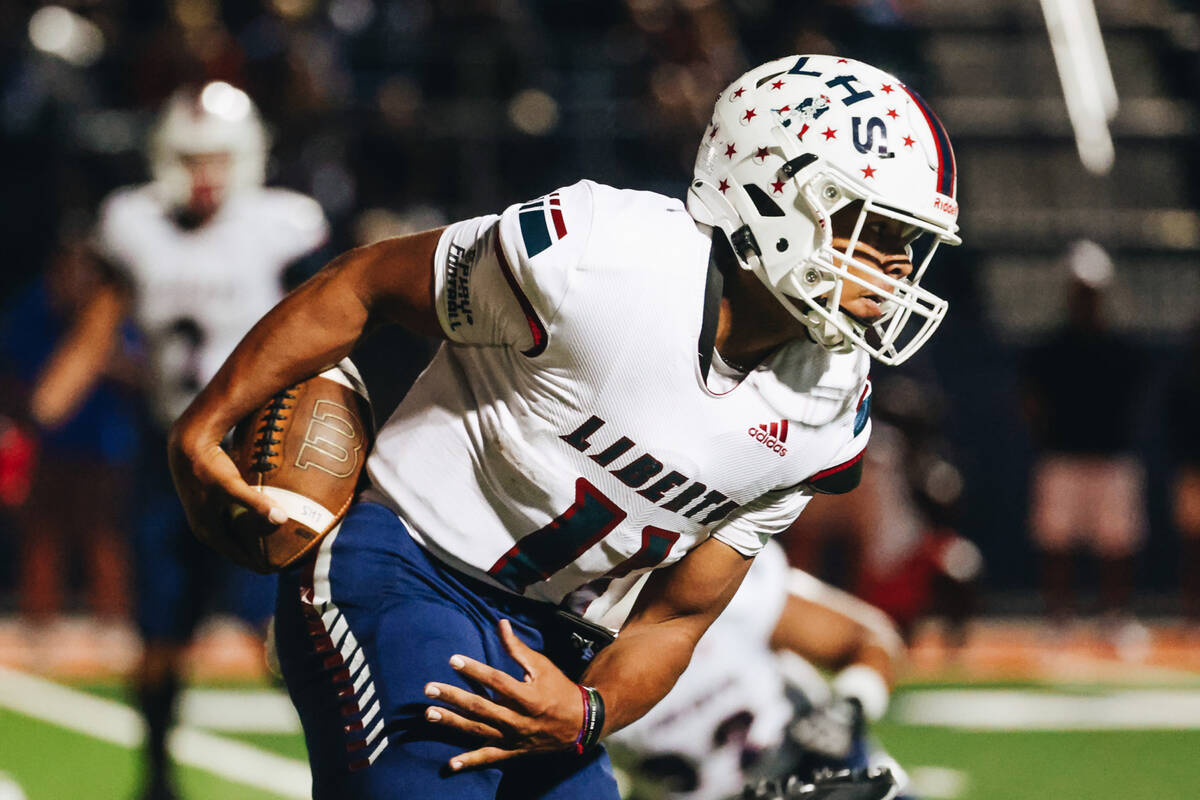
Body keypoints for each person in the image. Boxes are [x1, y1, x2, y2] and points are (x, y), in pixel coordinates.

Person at [168, 54, 960, 800]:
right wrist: (205, 423)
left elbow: (675, 616)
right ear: (772, 190)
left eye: (908, 242)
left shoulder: (829, 407)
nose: (895, 267)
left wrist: (588, 714)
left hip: (561, 642)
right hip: (409, 566)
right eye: (874, 229)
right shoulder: (602, 255)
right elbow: (365, 285)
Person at [32, 81, 329, 800]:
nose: (205, 176)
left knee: (294, 631)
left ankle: (344, 770)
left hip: (262, 452)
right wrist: (42, 407)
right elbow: (103, 319)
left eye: (218, 158)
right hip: (169, 453)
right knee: (160, 629)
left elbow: (331, 324)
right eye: (191, 158)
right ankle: (157, 776)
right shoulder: (132, 221)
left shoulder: (287, 225)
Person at [605, 540, 911, 800]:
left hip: (825, 779)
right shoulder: (566, 648)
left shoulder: (709, 578)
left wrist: (849, 707)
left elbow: (868, 640)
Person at [1021, 241, 1148, 645]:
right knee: (1056, 545)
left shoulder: (1122, 349)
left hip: (1111, 458)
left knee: (1117, 546)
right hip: (1062, 457)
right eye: (1079, 290)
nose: (1085, 299)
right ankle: (1058, 620)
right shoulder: (1049, 350)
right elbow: (1030, 403)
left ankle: (1116, 619)